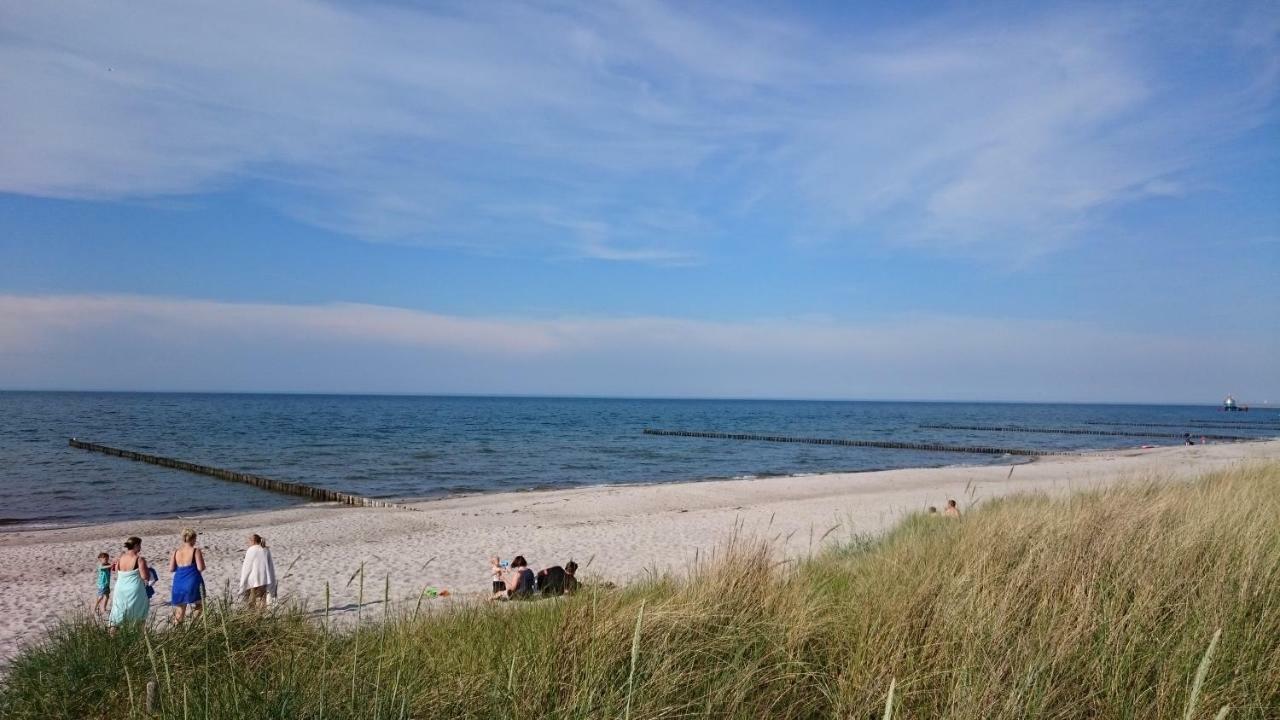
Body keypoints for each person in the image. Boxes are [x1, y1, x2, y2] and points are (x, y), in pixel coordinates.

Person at [108, 536, 150, 630]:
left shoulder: (120, 558)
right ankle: (138, 639)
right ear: (135, 546)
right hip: (134, 589)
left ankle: (111, 638)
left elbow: (115, 570)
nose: (140, 548)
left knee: (117, 613)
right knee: (138, 614)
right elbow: (145, 577)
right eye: (139, 545)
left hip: (120, 589)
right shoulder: (139, 559)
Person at [169, 528, 206, 625]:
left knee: (180, 610)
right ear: (193, 538)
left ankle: (178, 631)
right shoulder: (195, 551)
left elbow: (171, 568)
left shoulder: (176, 552)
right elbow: (201, 567)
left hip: (178, 582)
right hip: (192, 581)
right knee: (199, 605)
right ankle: (192, 626)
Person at [238, 534, 277, 610]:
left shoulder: (251, 550)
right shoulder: (266, 550)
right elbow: (270, 566)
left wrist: (243, 583)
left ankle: (253, 618)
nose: (248, 543)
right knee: (262, 601)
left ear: (253, 541)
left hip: (252, 581)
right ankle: (261, 616)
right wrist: (271, 582)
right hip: (264, 580)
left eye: (249, 541)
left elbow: (246, 567)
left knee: (251, 602)